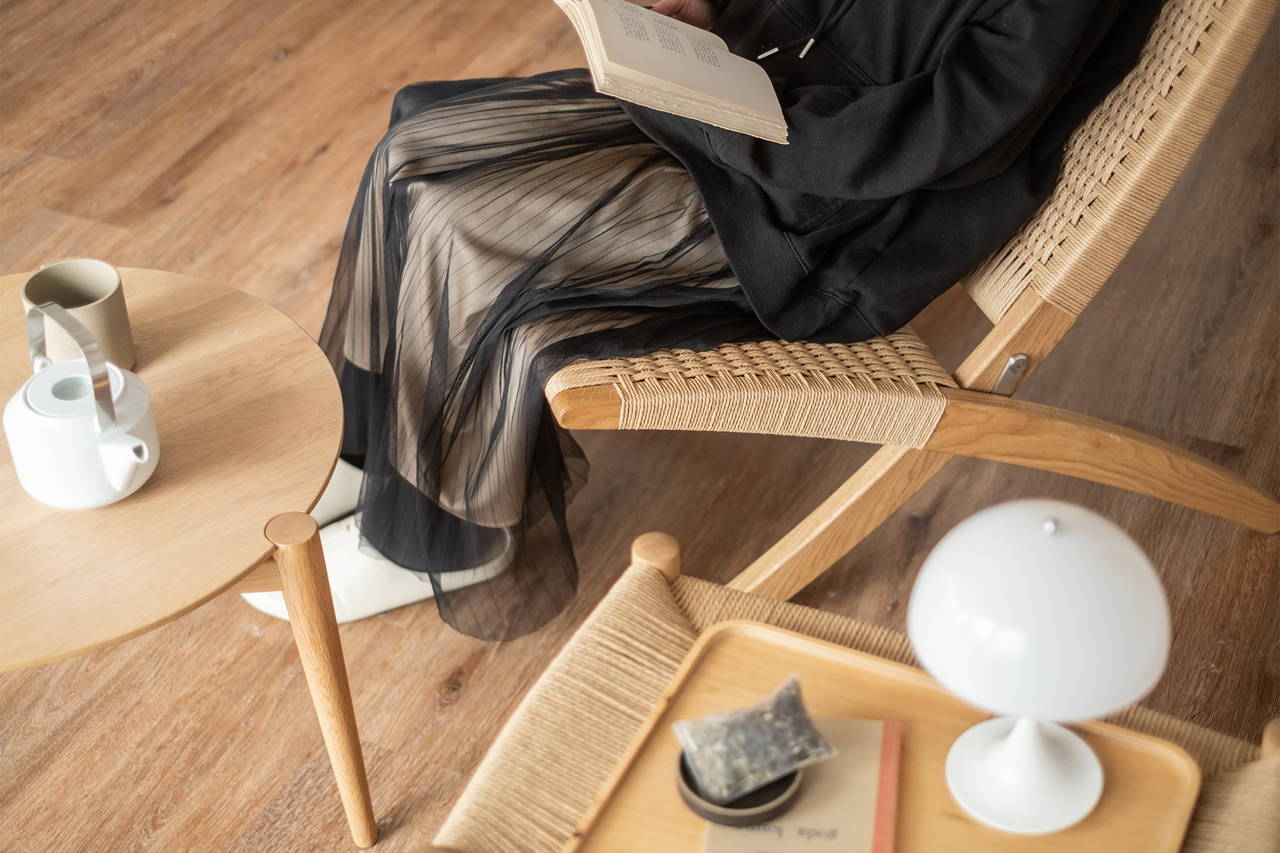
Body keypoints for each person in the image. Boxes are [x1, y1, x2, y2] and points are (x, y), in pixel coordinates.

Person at [242, 0, 1163, 639]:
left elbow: (943, 135)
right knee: (414, 144)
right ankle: (366, 447)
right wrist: (709, 17)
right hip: (737, 103)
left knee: (465, 223)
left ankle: (443, 536)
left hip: (821, 219)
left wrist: (727, 117)